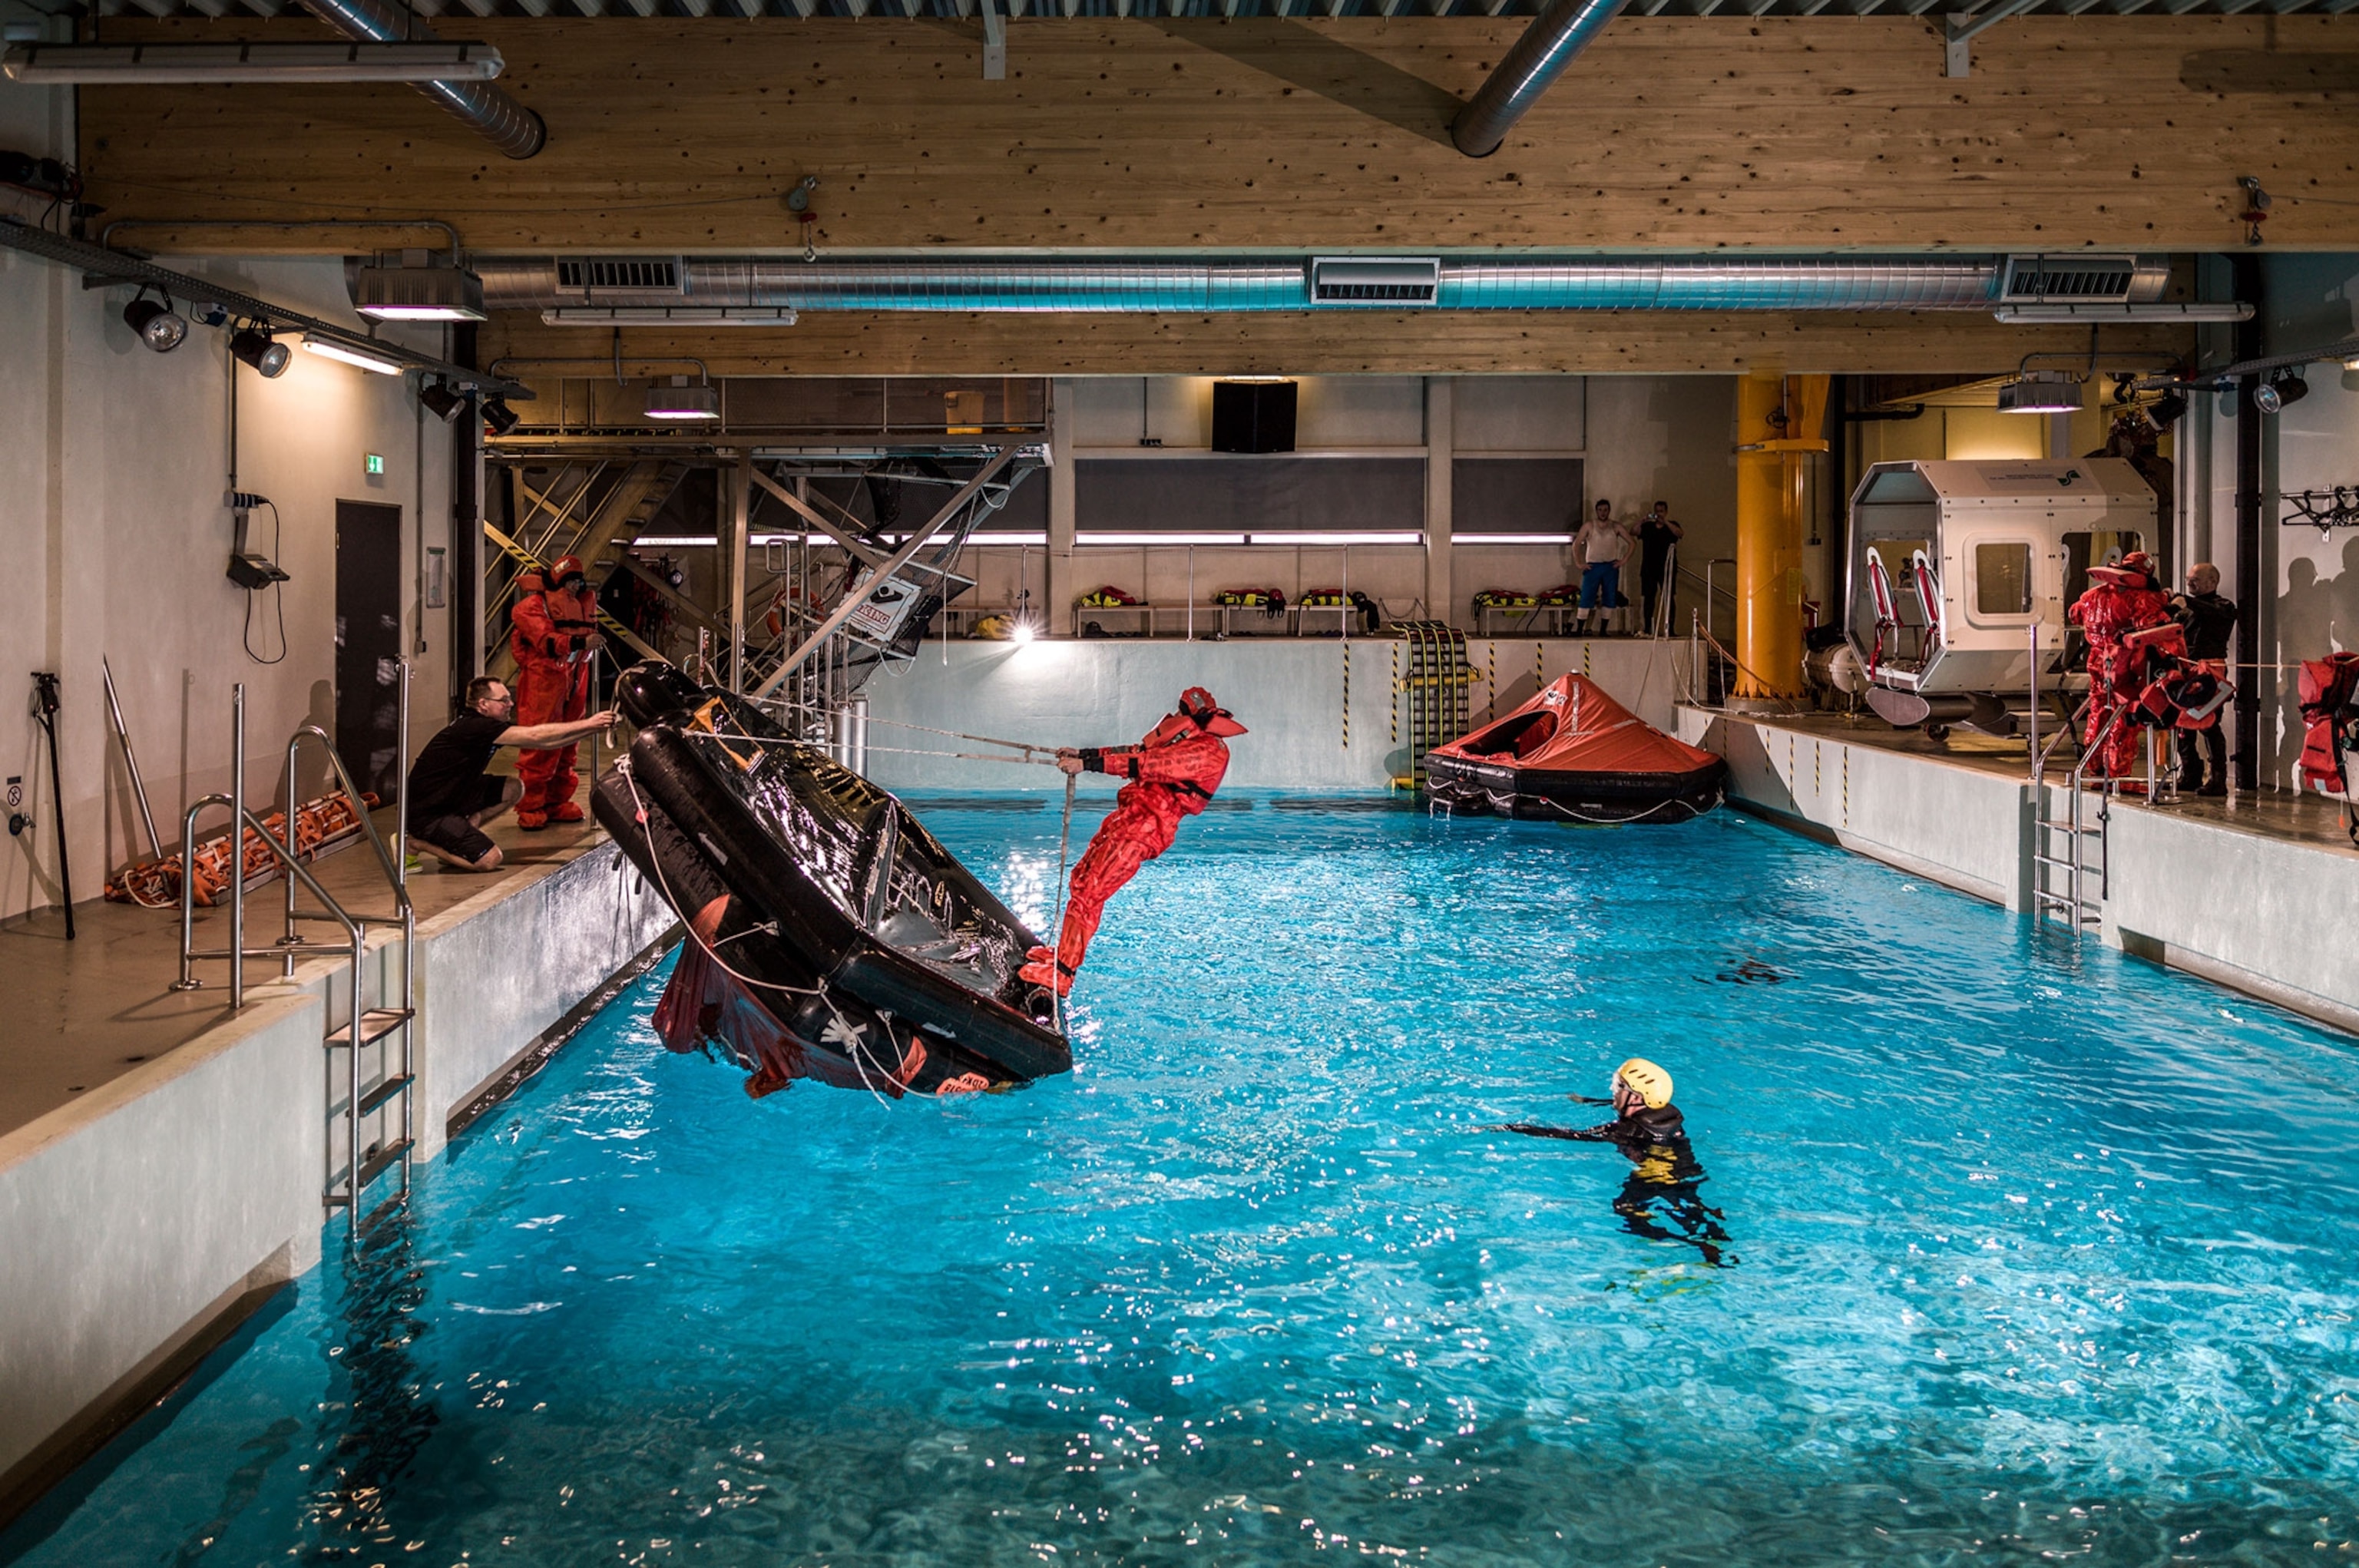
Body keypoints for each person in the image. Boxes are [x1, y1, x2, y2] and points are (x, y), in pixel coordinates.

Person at [1016, 687, 1246, 1001]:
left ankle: (1063, 974)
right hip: (1130, 815)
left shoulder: (1206, 752)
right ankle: (1063, 953)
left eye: (1182, 711)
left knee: (1092, 890)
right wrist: (1084, 755)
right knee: (1083, 878)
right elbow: (1136, 750)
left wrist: (1087, 767)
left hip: (1146, 827)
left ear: (1196, 715)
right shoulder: (1184, 736)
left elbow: (1145, 764)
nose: (1176, 716)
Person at [1499, 1058, 1732, 1268]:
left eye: (1619, 1087)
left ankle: (1676, 1246)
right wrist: (1586, 1101)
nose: (1613, 1090)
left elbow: (1574, 1135)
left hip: (1654, 1175)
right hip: (1685, 1167)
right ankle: (1713, 1244)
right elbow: (1624, 1105)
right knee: (1693, 1210)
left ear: (1637, 1097)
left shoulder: (1627, 1130)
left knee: (1625, 1209)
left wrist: (1514, 1128)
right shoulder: (1664, 1115)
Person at [405, 676, 618, 872]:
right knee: (489, 860)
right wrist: (589, 722)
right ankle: (416, 842)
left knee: (514, 788)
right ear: (483, 705)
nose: (511, 704)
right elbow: (535, 735)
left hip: (454, 797)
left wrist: (592, 729)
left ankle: (458, 841)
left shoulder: (485, 725)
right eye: (504, 700)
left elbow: (547, 743)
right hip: (427, 812)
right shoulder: (476, 727)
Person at [511, 555, 605, 829]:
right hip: (543, 681)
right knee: (539, 743)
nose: (575, 588)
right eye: (570, 582)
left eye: (578, 582)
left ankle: (556, 801)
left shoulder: (581, 605)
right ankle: (531, 806)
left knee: (569, 743)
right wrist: (579, 641)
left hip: (575, 676)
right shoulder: (530, 607)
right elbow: (544, 640)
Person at [2067, 550, 2170, 781]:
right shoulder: (2141, 597)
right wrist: (2167, 602)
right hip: (2126, 661)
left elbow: (2075, 614)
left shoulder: (2091, 595)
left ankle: (2094, 763)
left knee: (2098, 710)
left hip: (2095, 659)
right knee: (2124, 717)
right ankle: (2117, 771)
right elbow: (2152, 623)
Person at [2169, 562, 2238, 797]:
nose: (2190, 583)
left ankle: (2218, 778)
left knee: (2209, 724)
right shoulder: (2185, 610)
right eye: (2189, 579)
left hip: (2212, 670)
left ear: (2212, 582)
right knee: (2181, 723)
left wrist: (2184, 600)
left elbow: (2209, 611)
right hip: (2186, 668)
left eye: (2196, 579)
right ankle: (2190, 773)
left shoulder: (2224, 606)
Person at [1572, 500, 1634, 636]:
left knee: (1609, 597)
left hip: (1610, 566)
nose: (1603, 513)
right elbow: (1576, 545)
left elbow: (1632, 543)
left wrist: (1623, 561)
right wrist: (1579, 563)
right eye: (1600, 510)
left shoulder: (1615, 526)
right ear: (1596, 511)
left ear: (1609, 511)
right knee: (1586, 597)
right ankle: (1579, 629)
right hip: (1593, 566)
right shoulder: (1589, 526)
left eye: (1605, 510)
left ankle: (1603, 630)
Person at [1635, 500, 1685, 637]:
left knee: (1669, 598)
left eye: (1661, 512)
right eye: (1657, 512)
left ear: (1666, 512)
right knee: (1649, 598)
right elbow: (1634, 531)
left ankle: (1671, 628)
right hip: (1649, 568)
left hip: (1667, 568)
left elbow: (1680, 534)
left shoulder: (1672, 526)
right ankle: (1648, 628)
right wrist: (1643, 520)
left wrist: (1666, 522)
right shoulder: (1648, 527)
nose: (1659, 514)